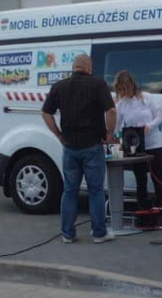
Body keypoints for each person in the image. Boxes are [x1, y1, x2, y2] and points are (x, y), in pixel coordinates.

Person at [41, 55, 117, 244]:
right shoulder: (98, 84)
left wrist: (58, 134)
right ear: (89, 67)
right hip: (92, 145)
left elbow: (45, 112)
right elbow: (112, 111)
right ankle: (99, 233)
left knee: (70, 191)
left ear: (74, 67)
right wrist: (109, 133)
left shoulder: (59, 86)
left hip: (69, 146)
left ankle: (67, 233)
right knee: (95, 191)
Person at [113, 70, 162, 210]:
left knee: (157, 177)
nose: (123, 92)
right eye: (120, 90)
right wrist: (112, 136)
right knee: (140, 179)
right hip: (136, 147)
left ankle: (160, 207)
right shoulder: (122, 104)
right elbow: (117, 124)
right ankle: (143, 208)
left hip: (153, 143)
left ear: (131, 85)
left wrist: (150, 125)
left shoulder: (146, 98)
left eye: (125, 89)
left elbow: (159, 116)